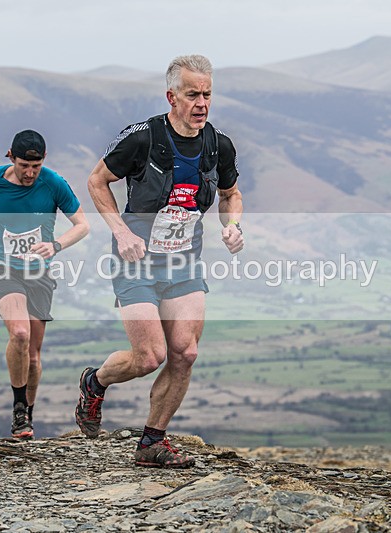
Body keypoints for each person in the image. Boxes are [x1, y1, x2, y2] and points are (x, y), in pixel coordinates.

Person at [77, 55, 244, 467]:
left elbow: (230, 194)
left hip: (185, 261)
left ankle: (152, 442)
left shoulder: (218, 144)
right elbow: (97, 180)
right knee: (148, 357)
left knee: (184, 353)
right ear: (172, 96)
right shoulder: (143, 138)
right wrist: (121, 231)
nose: (201, 103)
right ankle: (95, 383)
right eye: (192, 95)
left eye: (207, 94)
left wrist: (233, 225)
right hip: (136, 261)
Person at [0, 129, 89, 440]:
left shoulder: (54, 183)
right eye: (24, 166)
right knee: (19, 333)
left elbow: (83, 225)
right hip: (0, 265)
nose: (31, 173)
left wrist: (56, 245)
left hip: (38, 272)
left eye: (36, 166)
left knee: (33, 353)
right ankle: (18, 409)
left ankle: (27, 415)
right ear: (12, 157)